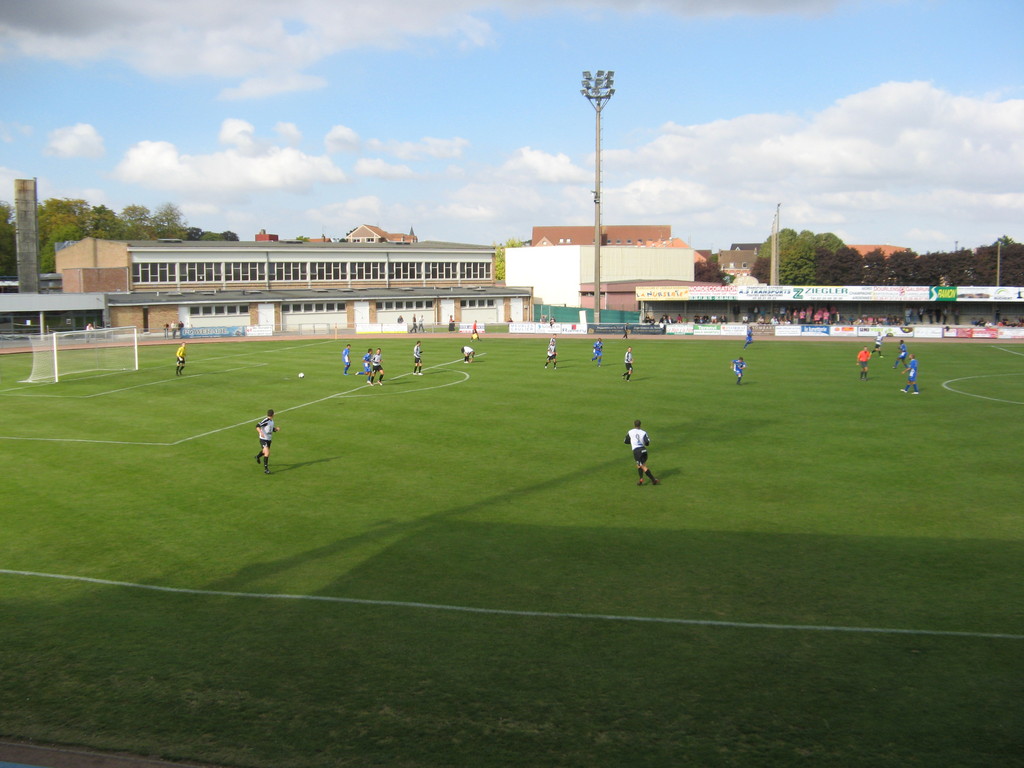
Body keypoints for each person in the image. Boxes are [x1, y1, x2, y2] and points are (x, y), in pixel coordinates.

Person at [624, 419, 659, 486]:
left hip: (637, 451)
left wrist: (632, 441)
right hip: (644, 450)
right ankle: (641, 479)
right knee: (639, 465)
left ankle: (653, 480)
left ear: (634, 425)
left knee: (642, 466)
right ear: (640, 425)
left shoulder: (630, 432)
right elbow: (647, 442)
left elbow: (625, 441)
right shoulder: (643, 432)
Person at [254, 409, 279, 475]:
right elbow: (257, 426)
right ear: (273, 414)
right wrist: (260, 432)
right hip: (263, 439)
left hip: (269, 439)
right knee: (267, 453)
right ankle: (266, 469)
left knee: (264, 451)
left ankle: (257, 456)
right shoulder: (266, 420)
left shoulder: (271, 421)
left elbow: (271, 429)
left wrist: (275, 429)